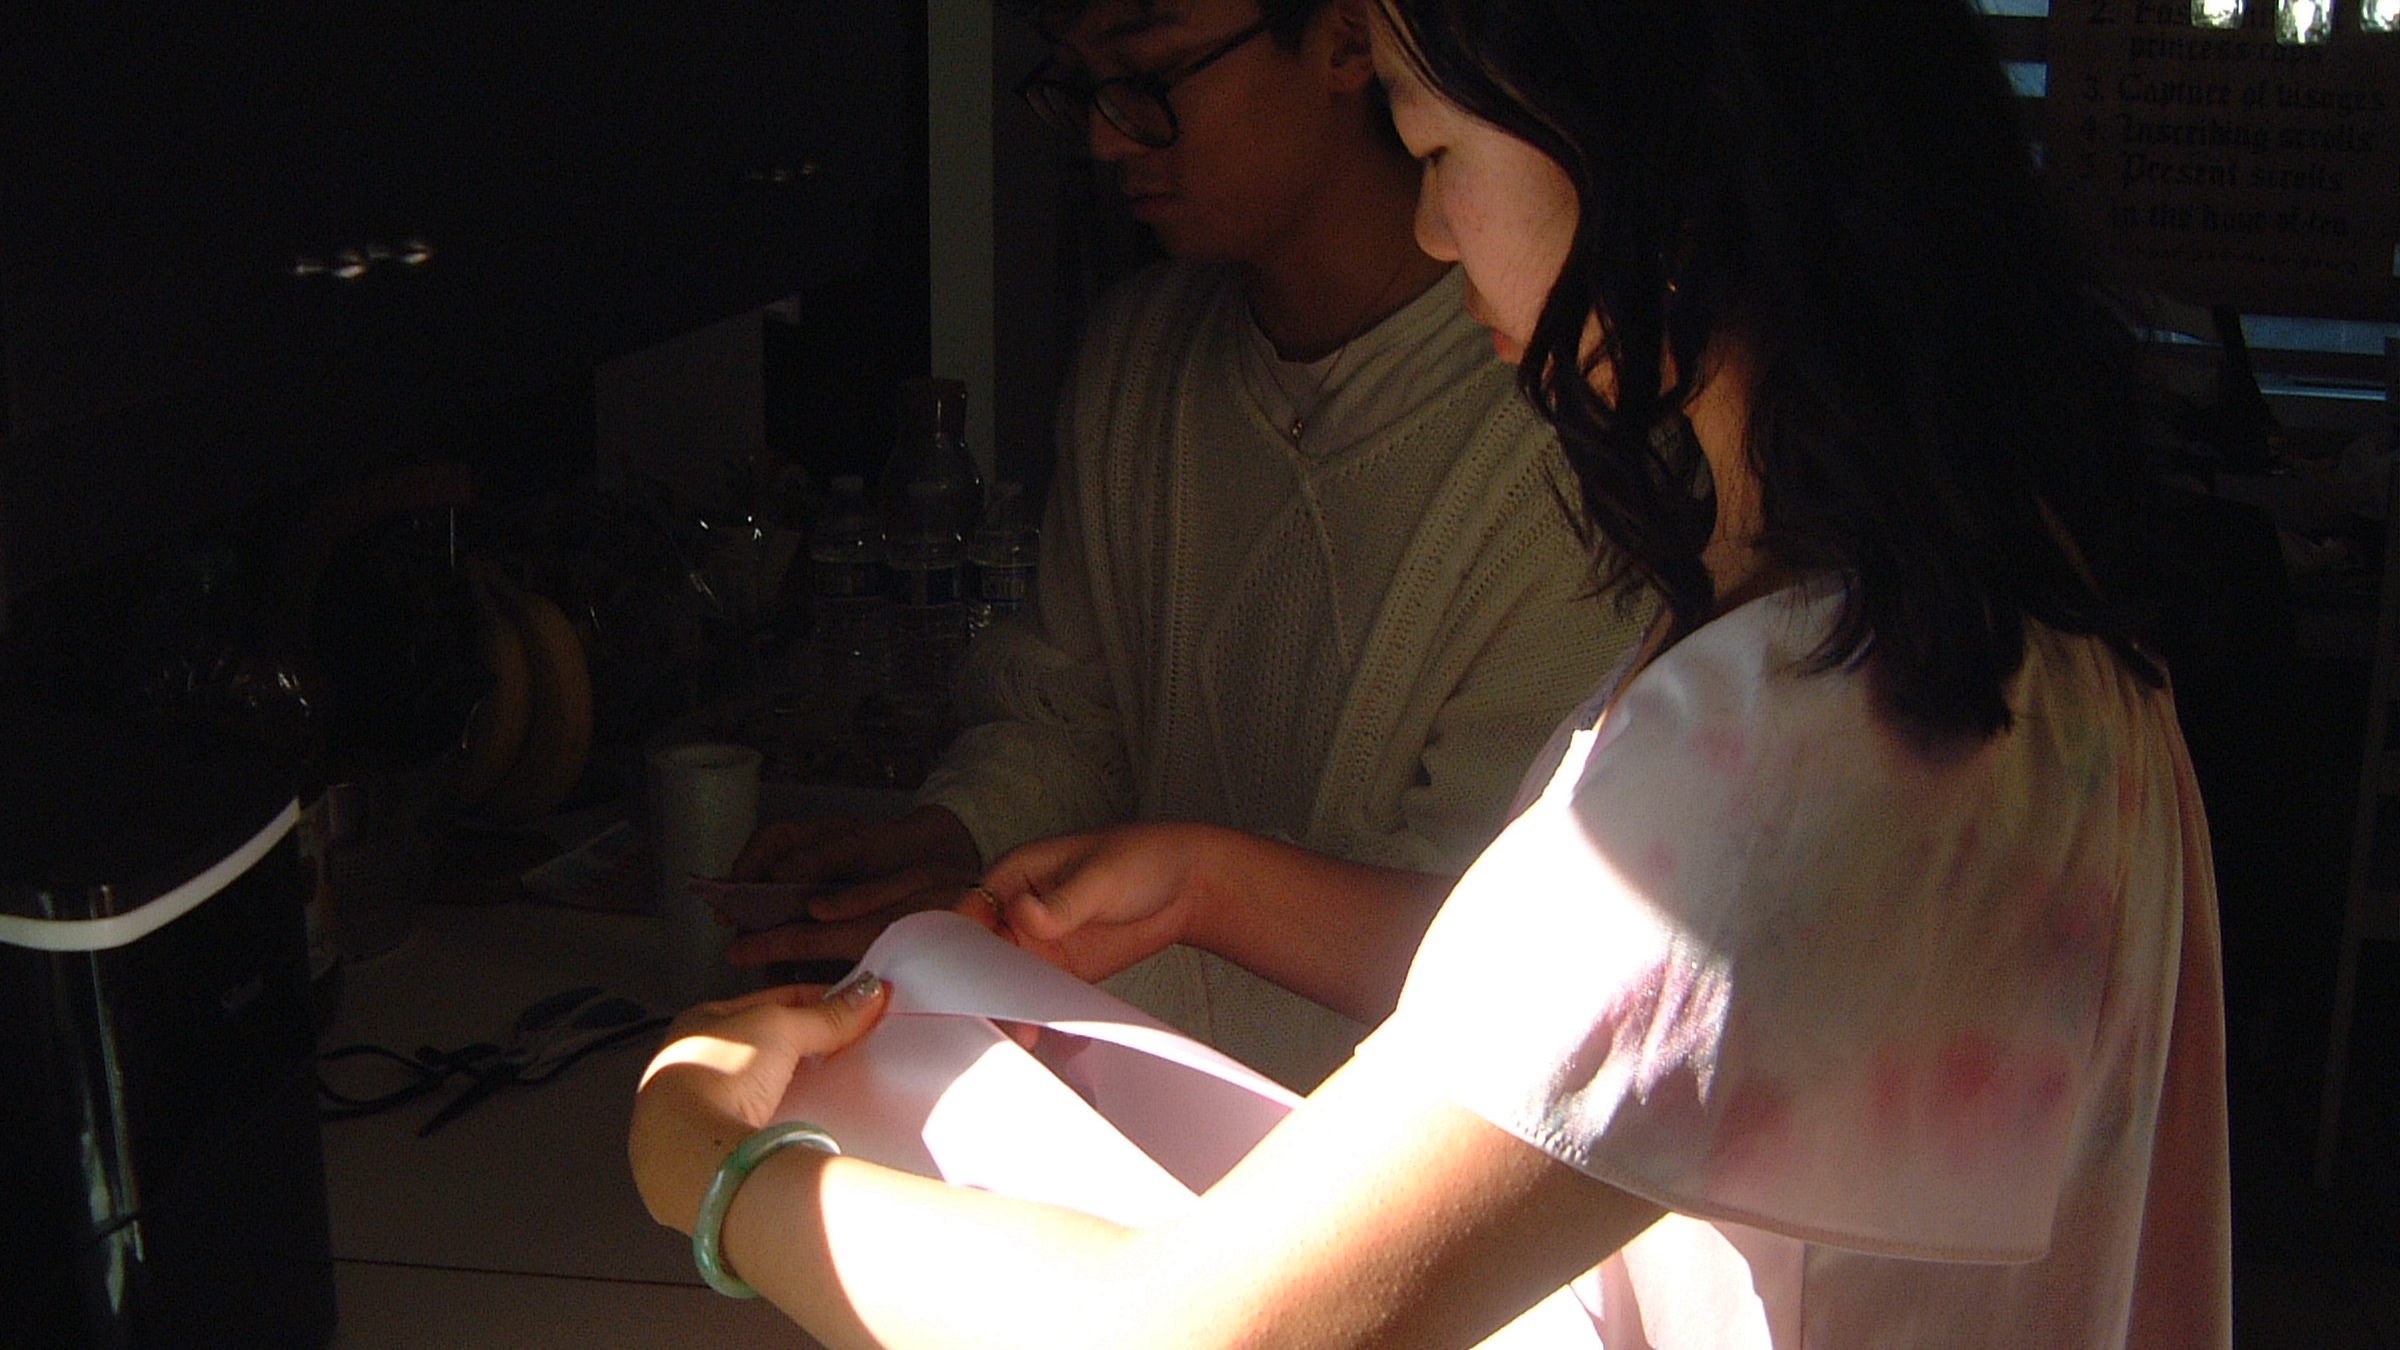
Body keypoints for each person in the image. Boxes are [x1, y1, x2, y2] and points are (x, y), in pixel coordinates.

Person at [630, 0, 2233, 1342]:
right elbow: (1644, 1032)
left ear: (1642, 146)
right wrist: (1220, 883)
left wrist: (707, 1154)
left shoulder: (1788, 745)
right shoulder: (2003, 625)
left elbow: (1182, 1333)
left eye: (1439, 145)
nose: (1429, 220)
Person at [728, 0, 1646, 1090]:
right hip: (1113, 1112)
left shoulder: (1571, 442)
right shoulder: (1139, 362)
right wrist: (957, 841)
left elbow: (1483, 963)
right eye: (1080, 86)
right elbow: (1070, 722)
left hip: (1373, 1141)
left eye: (1149, 75)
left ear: (1348, 42)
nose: (1105, 137)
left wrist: (1008, 955)